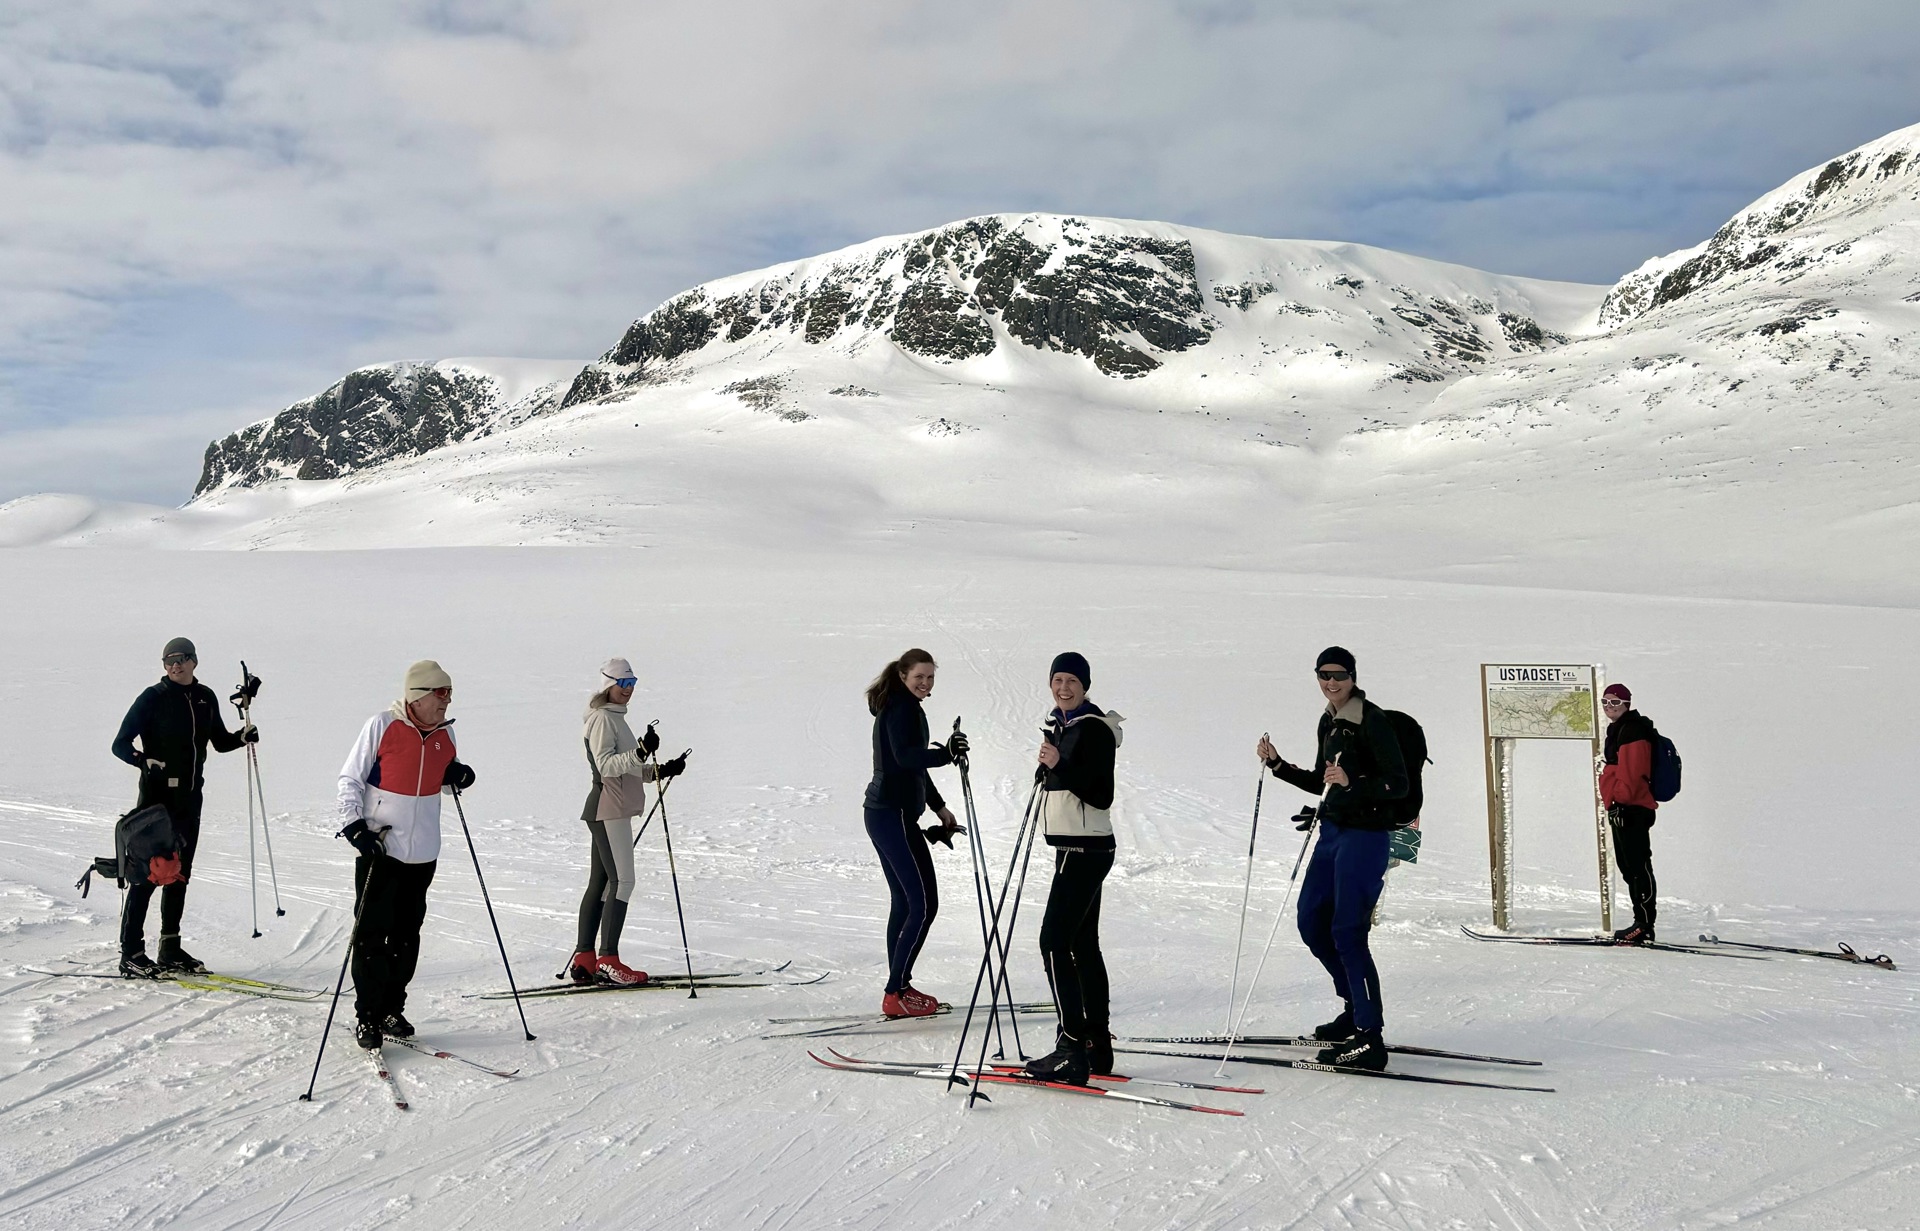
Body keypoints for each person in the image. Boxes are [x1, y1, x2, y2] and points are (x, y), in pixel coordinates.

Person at [1257, 646, 1407, 1072]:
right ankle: (1352, 1009)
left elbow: (1396, 785)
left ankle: (1369, 1035)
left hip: (1366, 837)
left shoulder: (1370, 720)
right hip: (1333, 832)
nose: (1331, 682)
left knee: (1348, 930)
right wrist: (1278, 765)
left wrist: (1352, 783)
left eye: (1339, 674)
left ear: (1353, 676)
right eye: (1323, 674)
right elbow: (1323, 783)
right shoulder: (1330, 720)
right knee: (1311, 921)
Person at [335, 660, 476, 1050]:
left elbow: (444, 778)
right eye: (440, 692)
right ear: (418, 695)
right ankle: (368, 1015)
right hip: (381, 848)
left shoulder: (444, 735)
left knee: (406, 935)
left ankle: (391, 1008)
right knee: (370, 935)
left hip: (423, 852)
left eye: (449, 693)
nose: (447, 700)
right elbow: (350, 778)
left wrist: (458, 775)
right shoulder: (382, 726)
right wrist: (354, 826)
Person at [110, 636, 256, 977]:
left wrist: (241, 737)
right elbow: (119, 744)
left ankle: (170, 949)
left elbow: (219, 741)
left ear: (194, 661)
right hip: (156, 802)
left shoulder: (205, 698)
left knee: (179, 874)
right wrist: (142, 760)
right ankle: (131, 952)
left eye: (181, 658)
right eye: (169, 660)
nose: (175, 665)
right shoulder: (153, 698)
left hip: (190, 799)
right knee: (150, 873)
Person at [1024, 652, 1125, 1086]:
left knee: (1052, 943)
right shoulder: (1064, 726)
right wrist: (1051, 767)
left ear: (1085, 686)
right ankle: (1094, 1046)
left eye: (1071, 681)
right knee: (1082, 947)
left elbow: (1101, 794)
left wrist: (1058, 765)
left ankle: (1070, 1046)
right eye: (1057, 680)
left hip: (1083, 851)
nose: (1063, 687)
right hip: (1077, 848)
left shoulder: (1094, 730)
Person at [569, 657, 689, 986]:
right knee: (623, 881)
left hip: (612, 807)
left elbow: (628, 769)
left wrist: (661, 770)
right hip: (610, 808)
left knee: (603, 882)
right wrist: (639, 752)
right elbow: (607, 766)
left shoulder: (615, 719)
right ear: (609, 685)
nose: (629, 691)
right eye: (624, 684)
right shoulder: (602, 719)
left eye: (633, 684)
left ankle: (585, 959)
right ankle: (608, 959)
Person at [862, 648, 966, 1019]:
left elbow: (913, 769)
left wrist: (939, 808)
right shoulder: (901, 709)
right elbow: (907, 758)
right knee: (921, 905)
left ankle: (900, 986)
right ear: (904, 675)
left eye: (930, 677)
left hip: (891, 815)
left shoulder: (905, 707)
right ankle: (896, 992)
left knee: (908, 903)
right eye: (919, 676)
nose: (925, 683)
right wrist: (947, 754)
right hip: (891, 815)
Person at [1599, 683, 1660, 944]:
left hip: (1632, 808)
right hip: (1622, 806)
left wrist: (1621, 801)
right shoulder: (1618, 730)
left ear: (1627, 704)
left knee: (1638, 867)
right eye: (1605, 702)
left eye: (1615, 702)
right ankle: (1641, 922)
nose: (1609, 707)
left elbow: (1632, 773)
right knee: (1629, 867)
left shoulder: (1633, 730)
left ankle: (1644, 925)